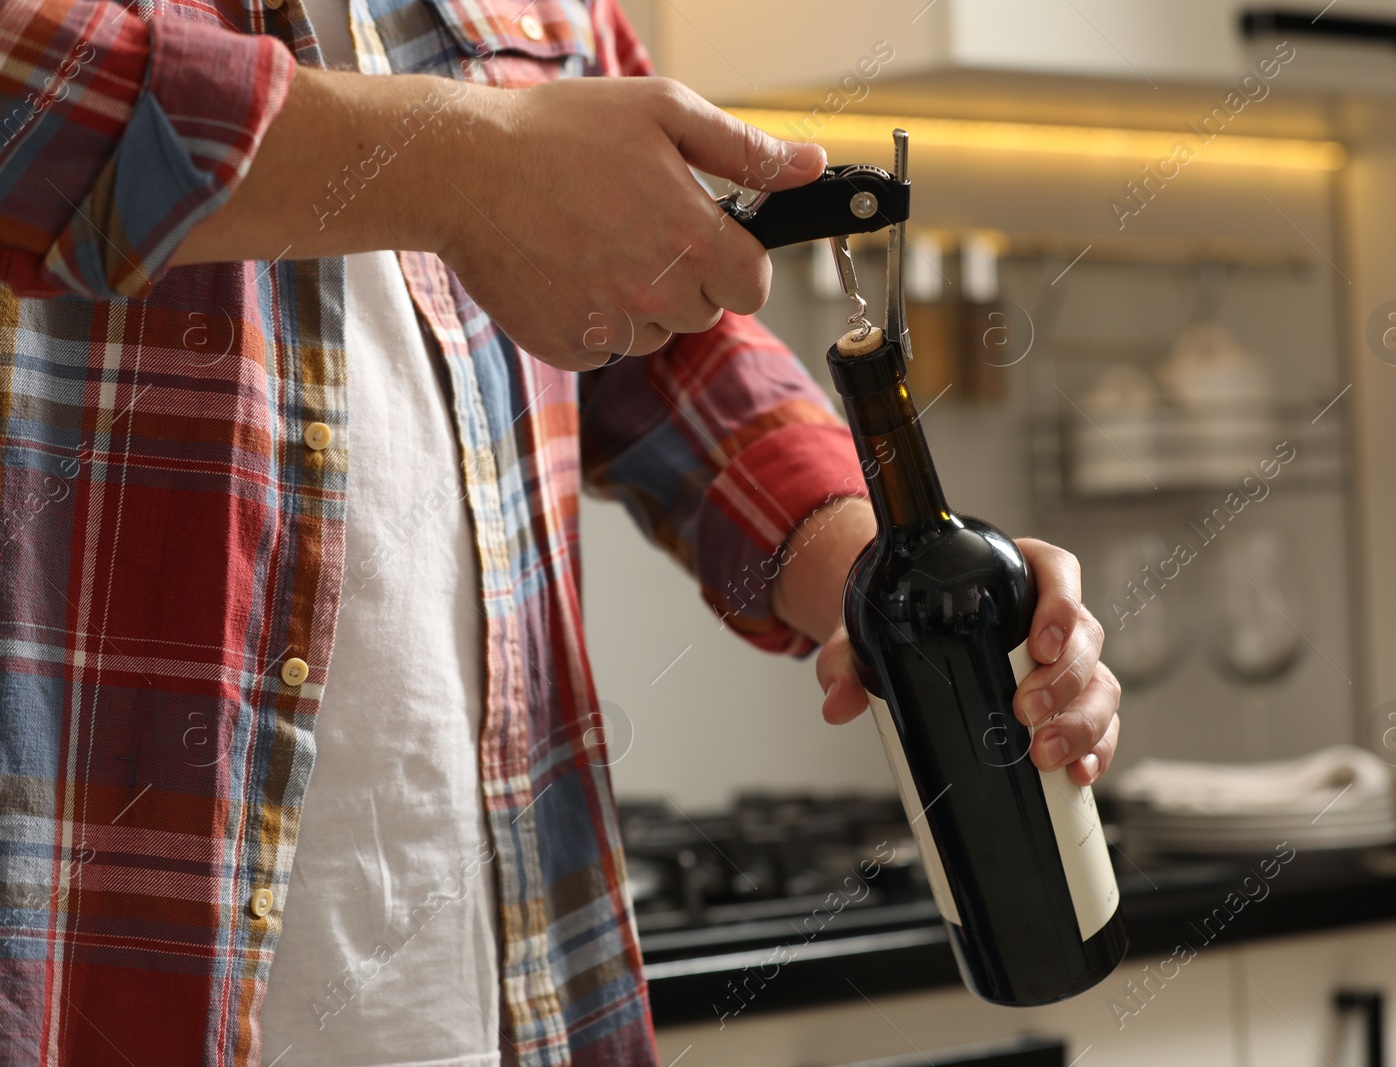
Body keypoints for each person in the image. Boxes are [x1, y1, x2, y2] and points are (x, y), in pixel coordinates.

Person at [0, 1, 1122, 1065]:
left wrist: (867, 571)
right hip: (94, 975)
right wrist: (463, 164)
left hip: (502, 999)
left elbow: (661, 335)